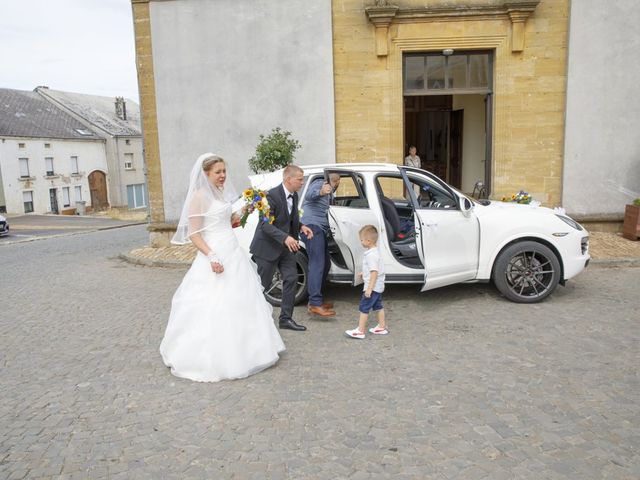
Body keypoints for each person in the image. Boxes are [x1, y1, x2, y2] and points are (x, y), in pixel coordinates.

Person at [160, 153, 285, 382]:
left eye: (224, 171)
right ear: (206, 173)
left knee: (241, 300)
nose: (222, 176)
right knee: (216, 304)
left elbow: (229, 222)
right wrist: (212, 256)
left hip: (233, 251)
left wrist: (248, 208)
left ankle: (249, 350)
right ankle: (217, 356)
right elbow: (194, 233)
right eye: (218, 172)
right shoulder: (199, 197)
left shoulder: (218, 193)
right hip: (215, 254)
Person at [250, 165, 314, 331]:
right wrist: (285, 237)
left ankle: (285, 319)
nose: (302, 182)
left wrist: (301, 226)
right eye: (300, 179)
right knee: (260, 286)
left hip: (286, 249)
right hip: (267, 247)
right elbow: (265, 225)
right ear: (288, 179)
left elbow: (287, 219)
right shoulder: (270, 196)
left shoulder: (294, 195)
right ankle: (251, 321)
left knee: (291, 279)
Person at [300, 173, 341, 317]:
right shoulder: (320, 183)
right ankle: (315, 304)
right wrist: (321, 191)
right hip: (312, 227)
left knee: (325, 264)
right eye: (338, 182)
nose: (337, 185)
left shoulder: (330, 193)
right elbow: (310, 195)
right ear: (335, 181)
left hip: (319, 229)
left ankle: (316, 300)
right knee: (317, 264)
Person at [345, 225, 388, 339]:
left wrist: (369, 288)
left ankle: (360, 331)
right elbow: (373, 269)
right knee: (378, 306)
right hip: (378, 286)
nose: (361, 242)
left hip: (372, 287)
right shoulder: (374, 252)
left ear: (368, 241)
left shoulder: (371, 255)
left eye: (362, 240)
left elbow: (374, 272)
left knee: (364, 307)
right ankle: (382, 327)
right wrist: (364, 274)